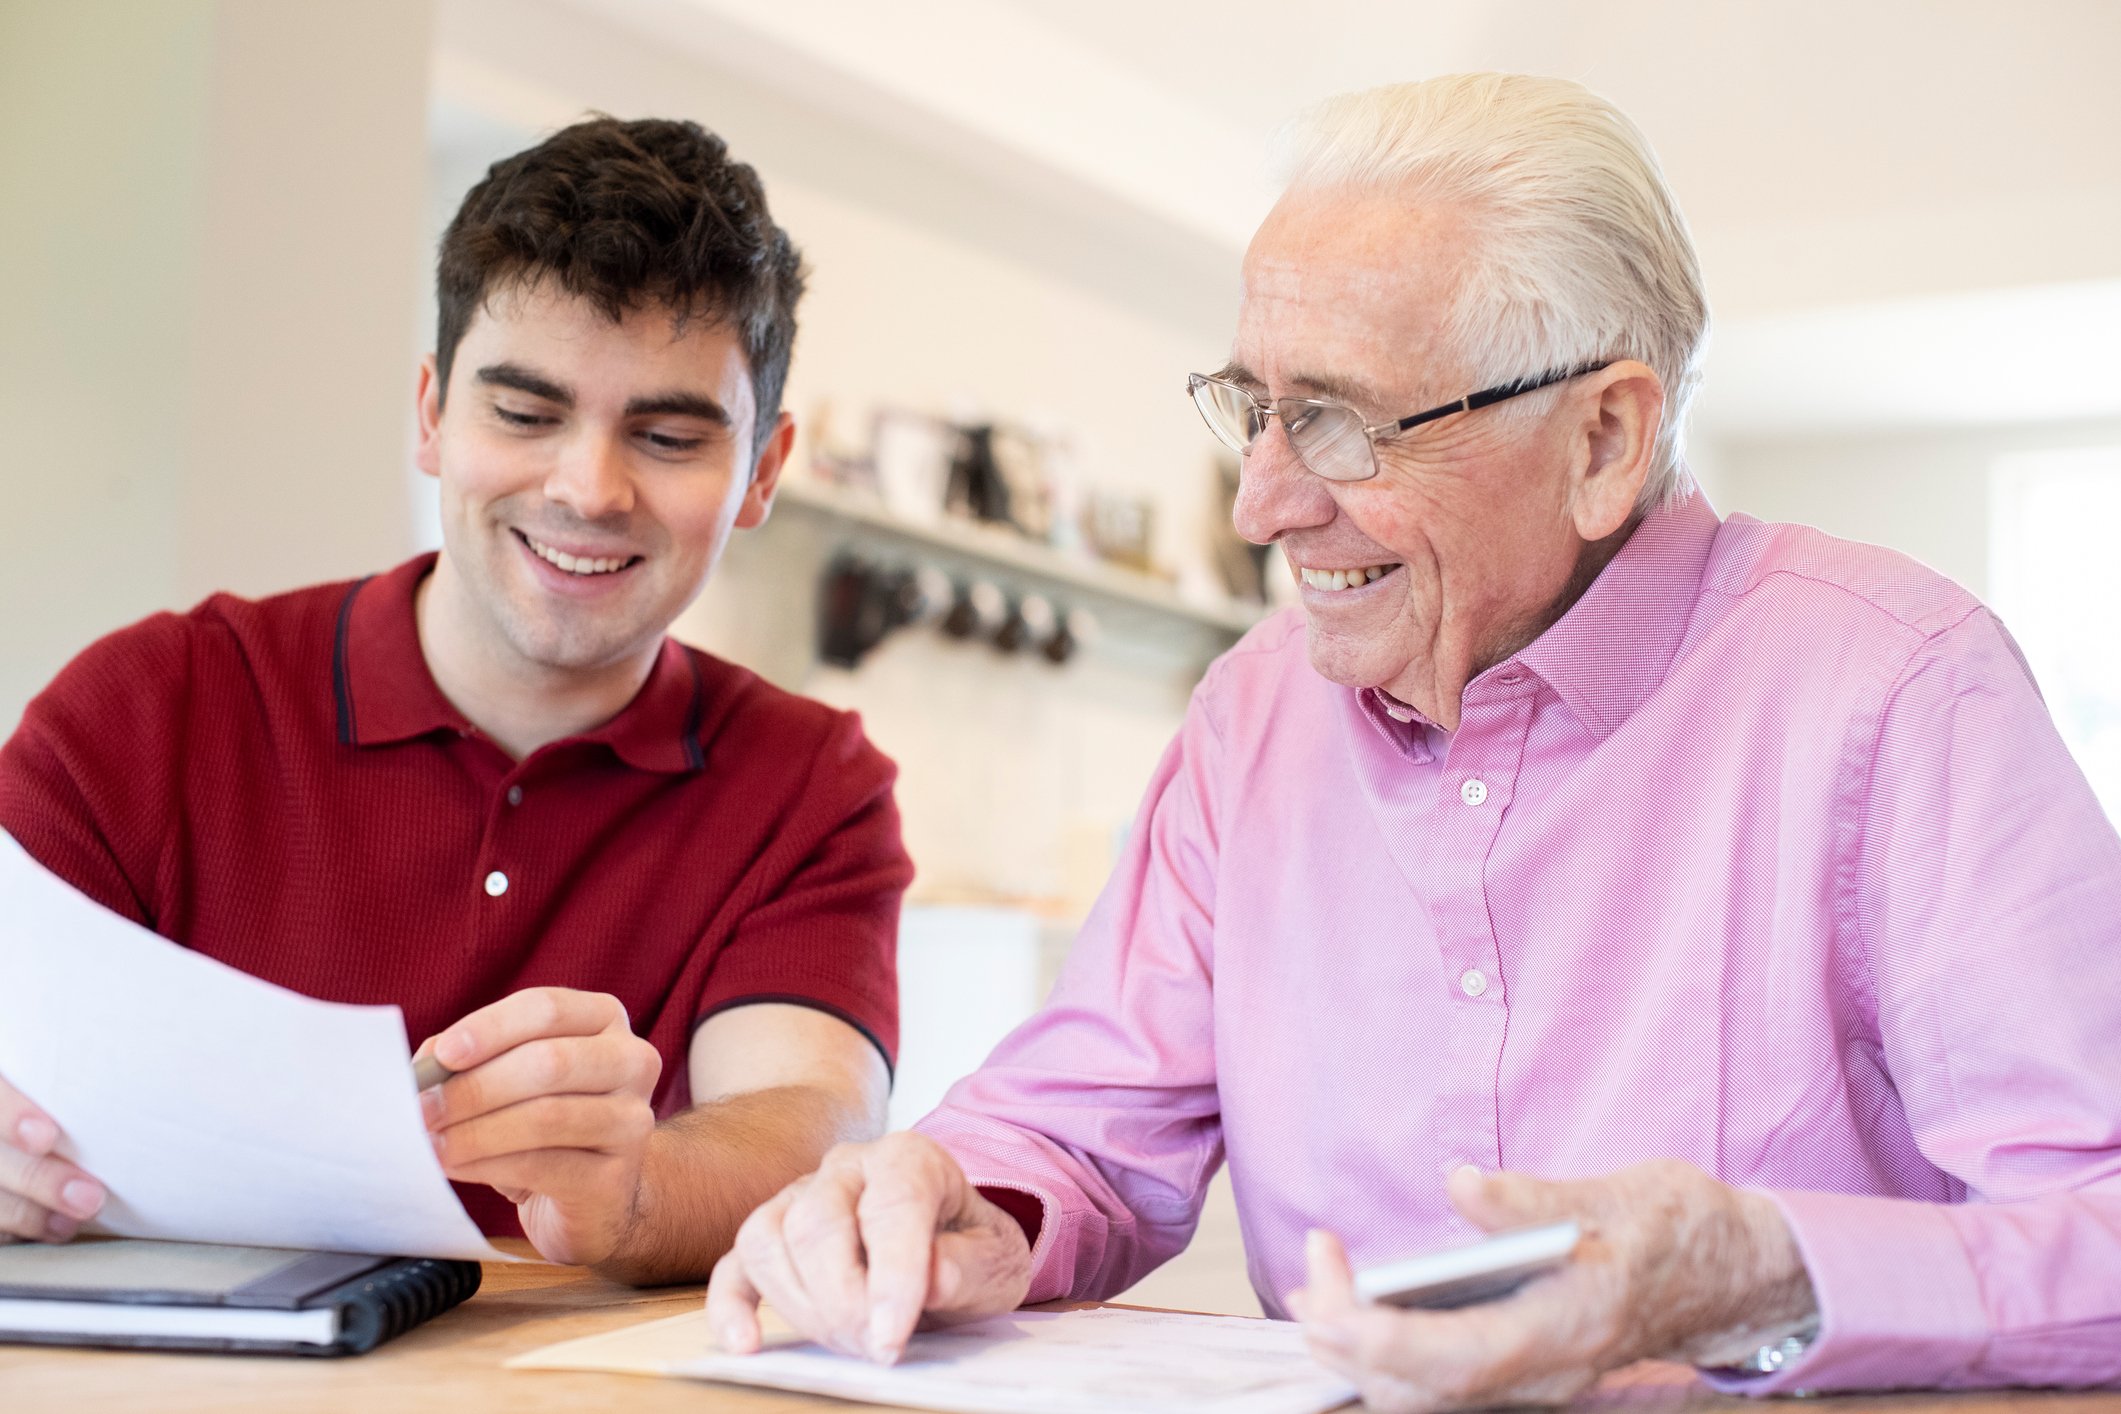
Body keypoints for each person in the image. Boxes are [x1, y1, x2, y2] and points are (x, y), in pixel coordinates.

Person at [704, 73, 2121, 1402]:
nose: (1260, 503)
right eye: (1253, 408)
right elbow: (1073, 1130)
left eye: (1333, 422)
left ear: (1603, 441)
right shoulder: (1252, 712)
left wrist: (1761, 1276)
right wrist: (956, 1201)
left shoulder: (1903, 690)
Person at [0, 116, 912, 1286]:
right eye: (525, 414)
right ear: (432, 416)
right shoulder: (152, 702)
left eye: (670, 434)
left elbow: (806, 1112)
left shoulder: (811, 785)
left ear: (764, 472)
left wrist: (633, 1191)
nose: (588, 487)